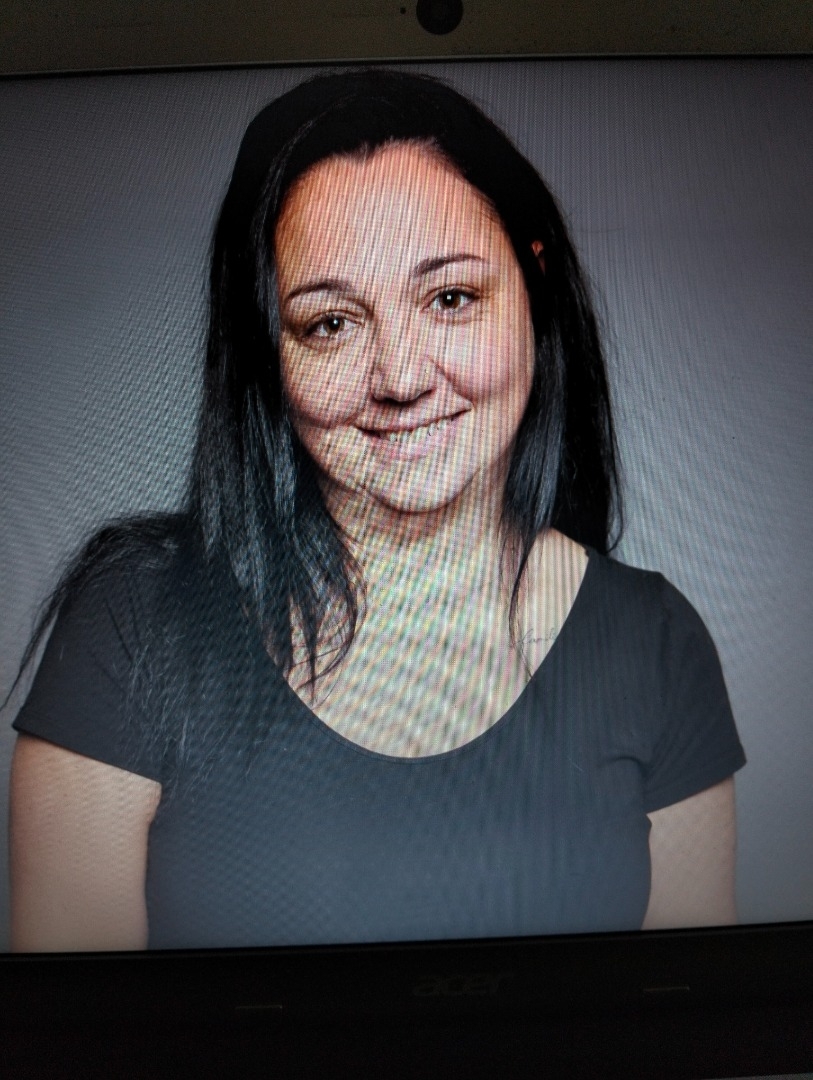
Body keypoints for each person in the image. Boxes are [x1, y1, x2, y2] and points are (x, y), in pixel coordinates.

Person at [8, 69, 745, 951]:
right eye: (330, 324)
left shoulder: (655, 645)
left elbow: (681, 1015)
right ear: (269, 352)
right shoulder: (134, 621)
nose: (399, 378)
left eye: (450, 298)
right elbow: (80, 1023)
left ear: (533, 282)